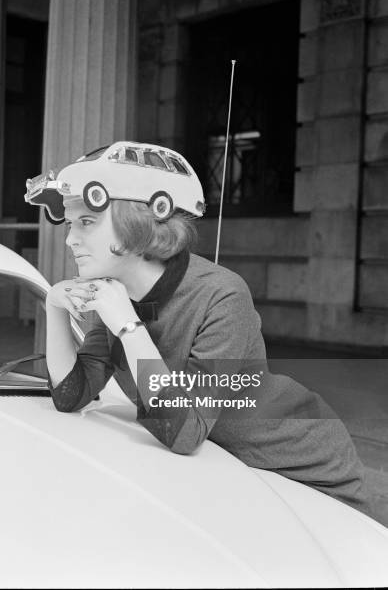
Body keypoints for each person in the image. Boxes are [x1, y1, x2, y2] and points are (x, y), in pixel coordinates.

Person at [25, 141, 372, 518]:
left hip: (300, 469)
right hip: (223, 472)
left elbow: (185, 430)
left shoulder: (221, 294)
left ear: (136, 225)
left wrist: (127, 325)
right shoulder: (115, 294)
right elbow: (71, 395)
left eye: (86, 222)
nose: (70, 239)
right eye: (71, 224)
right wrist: (55, 307)